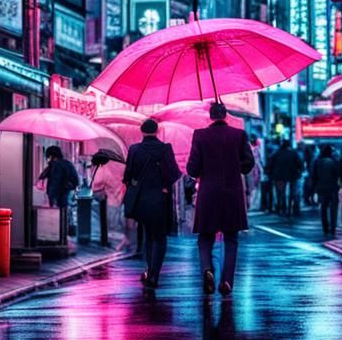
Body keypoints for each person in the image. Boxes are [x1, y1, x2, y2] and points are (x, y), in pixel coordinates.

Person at [186, 101, 255, 296]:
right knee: (231, 239)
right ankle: (227, 281)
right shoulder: (239, 135)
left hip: (208, 193)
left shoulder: (200, 136)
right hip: (232, 193)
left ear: (210, 116)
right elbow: (248, 164)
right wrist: (235, 165)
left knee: (205, 237)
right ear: (225, 115)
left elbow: (192, 169)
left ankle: (207, 268)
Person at [123, 118, 181, 291]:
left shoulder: (134, 150)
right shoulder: (165, 149)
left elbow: (128, 176)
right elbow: (174, 174)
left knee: (148, 235)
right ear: (157, 131)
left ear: (142, 131)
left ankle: (149, 270)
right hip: (160, 199)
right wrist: (163, 185)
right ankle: (154, 273)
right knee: (160, 238)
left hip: (141, 200)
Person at [37, 145, 79, 242]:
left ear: (52, 156)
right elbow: (75, 181)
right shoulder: (67, 164)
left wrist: (52, 197)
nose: (47, 159)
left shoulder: (57, 166)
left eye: (48, 157)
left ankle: (59, 239)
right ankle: (63, 238)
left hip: (59, 196)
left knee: (57, 218)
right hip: (66, 195)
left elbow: (55, 182)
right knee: (64, 217)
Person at [310, 144, 341, 237]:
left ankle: (325, 228)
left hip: (321, 188)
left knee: (323, 208)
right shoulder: (334, 161)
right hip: (333, 188)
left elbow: (313, 176)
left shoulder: (317, 162)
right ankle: (333, 229)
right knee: (333, 209)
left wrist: (314, 189)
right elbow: (338, 174)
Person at [270, 139, 303, 216]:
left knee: (280, 193)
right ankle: (292, 209)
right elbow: (300, 164)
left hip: (279, 177)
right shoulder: (293, 153)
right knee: (292, 194)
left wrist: (270, 174)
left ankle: (281, 208)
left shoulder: (276, 153)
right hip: (292, 177)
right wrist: (299, 171)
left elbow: (270, 164)